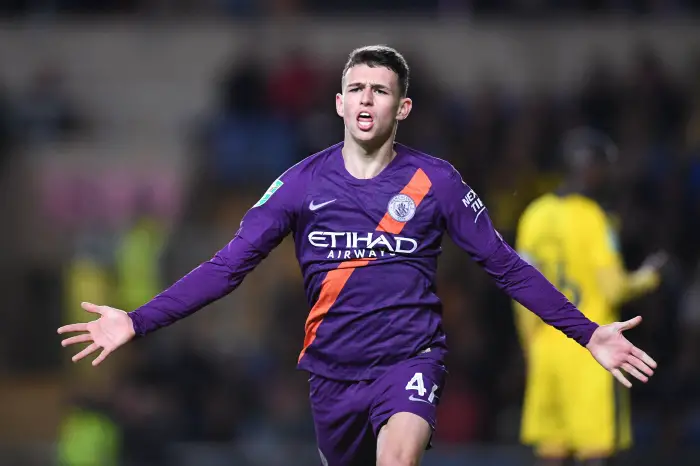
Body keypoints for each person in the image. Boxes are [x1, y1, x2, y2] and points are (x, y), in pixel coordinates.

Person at [58, 46, 657, 466]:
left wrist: (588, 334)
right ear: (340, 104)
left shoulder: (436, 182)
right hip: (331, 376)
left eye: (381, 90)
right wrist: (136, 320)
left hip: (409, 361)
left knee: (397, 457)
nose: (367, 99)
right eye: (356, 89)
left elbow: (503, 265)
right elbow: (226, 268)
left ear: (403, 108)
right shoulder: (299, 185)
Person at [513, 127, 667, 466]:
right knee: (595, 451)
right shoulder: (594, 219)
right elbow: (614, 288)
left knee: (551, 451)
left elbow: (519, 289)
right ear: (591, 168)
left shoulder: (535, 215)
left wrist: (530, 346)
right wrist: (649, 278)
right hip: (591, 346)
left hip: (545, 348)